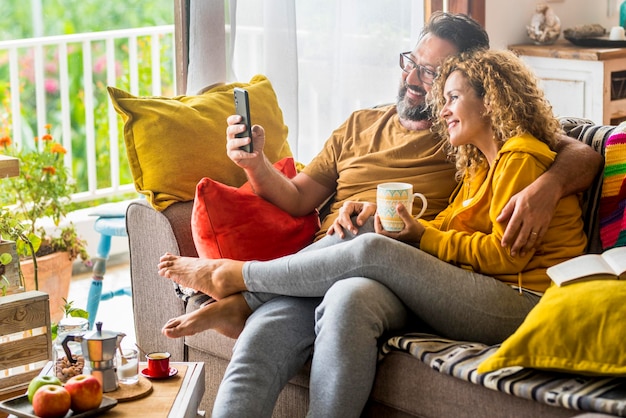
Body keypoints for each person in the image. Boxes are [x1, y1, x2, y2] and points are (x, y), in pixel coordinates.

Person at [159, 13, 602, 418]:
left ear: (476, 86)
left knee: (362, 267)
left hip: (396, 274)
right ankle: (251, 295)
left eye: (432, 74)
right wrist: (254, 164)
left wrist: (551, 185)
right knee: (267, 333)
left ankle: (239, 282)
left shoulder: (468, 138)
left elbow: (575, 149)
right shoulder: (367, 126)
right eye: (411, 61)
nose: (413, 78)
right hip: (319, 264)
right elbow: (296, 199)